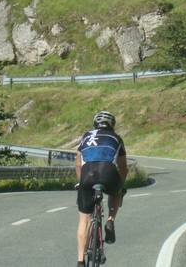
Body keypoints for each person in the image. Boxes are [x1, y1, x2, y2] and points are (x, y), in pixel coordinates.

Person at [75, 110, 128, 267]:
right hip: (108, 172)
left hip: (87, 173)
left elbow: (78, 163)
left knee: (84, 219)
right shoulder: (117, 138)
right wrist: (120, 185)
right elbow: (123, 167)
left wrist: (81, 183)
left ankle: (80, 261)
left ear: (94, 123)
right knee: (116, 191)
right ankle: (110, 220)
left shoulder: (86, 136)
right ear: (112, 125)